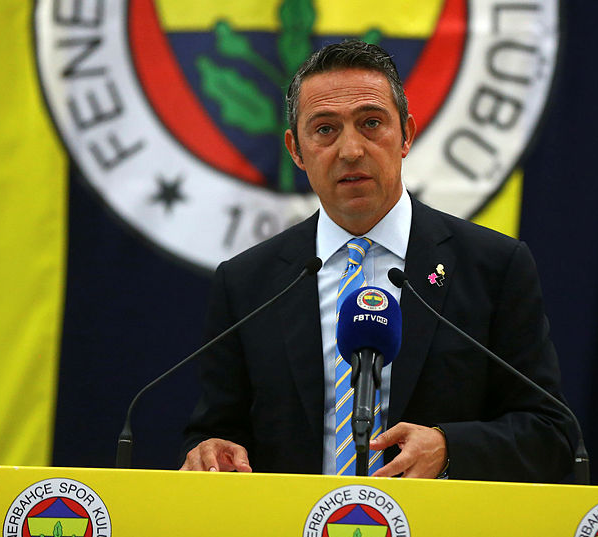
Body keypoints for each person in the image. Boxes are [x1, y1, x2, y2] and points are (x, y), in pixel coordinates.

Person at [181, 40, 574, 481]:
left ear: (406, 134)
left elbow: (552, 435)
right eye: (325, 129)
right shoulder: (247, 283)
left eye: (371, 123)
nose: (351, 150)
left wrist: (449, 448)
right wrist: (210, 450)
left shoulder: (493, 267)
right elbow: (215, 431)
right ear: (296, 150)